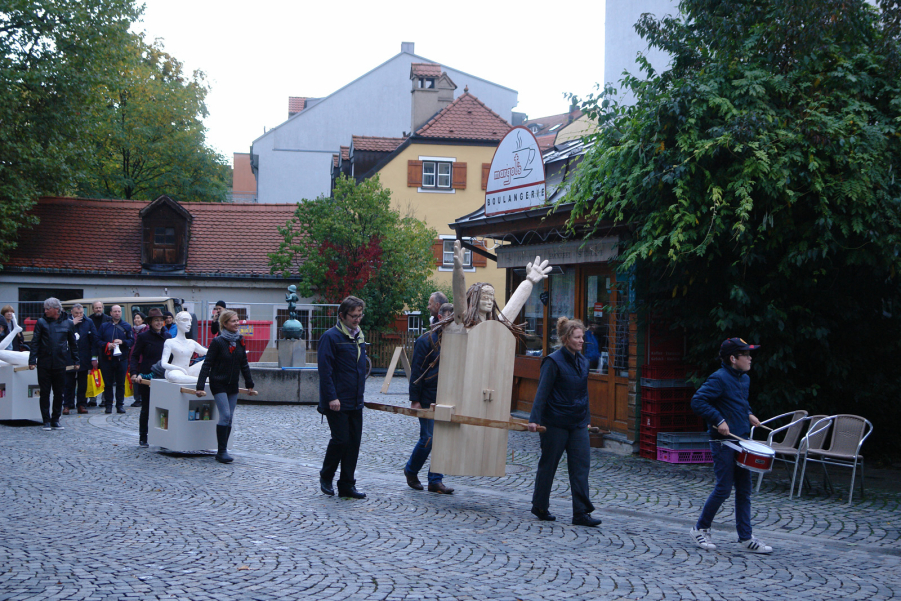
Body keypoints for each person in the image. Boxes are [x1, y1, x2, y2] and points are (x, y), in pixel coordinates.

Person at [689, 337, 772, 554]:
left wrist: (749, 413)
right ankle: (700, 528)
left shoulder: (744, 379)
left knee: (744, 490)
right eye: (746, 355)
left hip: (742, 441)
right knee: (724, 488)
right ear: (734, 358)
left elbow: (737, 402)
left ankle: (746, 537)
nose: (750, 358)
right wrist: (718, 420)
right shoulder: (719, 378)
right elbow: (698, 401)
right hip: (723, 442)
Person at [527, 317, 601, 527]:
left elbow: (583, 393)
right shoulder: (553, 361)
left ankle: (581, 513)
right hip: (555, 423)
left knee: (580, 467)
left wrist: (586, 419)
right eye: (577, 337)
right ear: (566, 339)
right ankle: (540, 506)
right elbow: (542, 392)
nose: (581, 341)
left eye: (582, 337)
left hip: (577, 423)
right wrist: (534, 420)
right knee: (549, 465)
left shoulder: (583, 362)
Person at [317, 296, 368, 499]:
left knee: (353, 443)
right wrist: (331, 397)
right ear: (342, 316)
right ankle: (326, 476)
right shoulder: (331, 337)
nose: (357, 319)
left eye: (359, 315)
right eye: (353, 316)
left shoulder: (359, 336)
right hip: (336, 400)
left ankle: (347, 484)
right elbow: (325, 370)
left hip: (355, 400)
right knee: (341, 440)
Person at [404, 302, 455, 494]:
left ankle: (435, 480)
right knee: (429, 438)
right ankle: (411, 470)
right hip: (427, 397)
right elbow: (416, 372)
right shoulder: (425, 340)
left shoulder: (455, 340)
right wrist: (415, 399)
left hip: (447, 397)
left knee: (442, 439)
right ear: (441, 317)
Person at [194, 309, 255, 463]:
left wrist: (249, 384)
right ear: (225, 323)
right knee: (225, 415)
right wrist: (200, 386)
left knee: (230, 418)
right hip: (218, 383)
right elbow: (207, 364)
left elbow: (244, 364)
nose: (237, 323)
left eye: (237, 320)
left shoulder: (240, 340)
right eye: (233, 321)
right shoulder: (218, 342)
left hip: (232, 385)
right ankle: (221, 452)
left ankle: (223, 449)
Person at [28, 298, 79, 431]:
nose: (45, 311)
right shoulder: (41, 322)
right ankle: (46, 420)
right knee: (44, 392)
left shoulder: (68, 323)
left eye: (47, 309)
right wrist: (32, 360)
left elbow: (73, 344)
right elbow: (35, 342)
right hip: (44, 363)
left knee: (59, 392)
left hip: (60, 363)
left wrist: (76, 360)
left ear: (56, 309)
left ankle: (55, 419)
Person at [129, 309, 170, 448]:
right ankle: (143, 437)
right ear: (150, 322)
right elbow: (134, 355)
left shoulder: (168, 336)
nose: (159, 323)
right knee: (146, 407)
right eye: (156, 320)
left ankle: (163, 437)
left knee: (164, 408)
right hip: (146, 375)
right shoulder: (143, 337)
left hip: (164, 376)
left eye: (160, 320)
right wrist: (134, 372)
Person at [95, 304, 134, 414]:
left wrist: (123, 342)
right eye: (115, 311)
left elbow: (132, 341)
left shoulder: (126, 326)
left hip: (122, 359)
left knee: (120, 384)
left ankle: (120, 405)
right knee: (108, 384)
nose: (117, 313)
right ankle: (108, 405)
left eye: (119, 311)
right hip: (107, 359)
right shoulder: (104, 326)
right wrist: (107, 345)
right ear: (111, 313)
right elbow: (97, 341)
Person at [63, 304, 98, 415]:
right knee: (69, 383)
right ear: (72, 313)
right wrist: (70, 325)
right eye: (76, 313)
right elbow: (60, 336)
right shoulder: (66, 321)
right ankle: (67, 405)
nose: (79, 315)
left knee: (83, 383)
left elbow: (94, 340)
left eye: (81, 313)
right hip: (69, 357)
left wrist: (93, 357)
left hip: (84, 356)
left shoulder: (88, 322)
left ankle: (81, 404)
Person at [129, 312, 149, 407]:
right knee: (135, 379)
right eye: (135, 318)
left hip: (144, 358)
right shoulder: (131, 330)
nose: (136, 320)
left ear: (143, 319)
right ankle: (137, 398)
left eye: (138, 318)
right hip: (134, 357)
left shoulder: (147, 329)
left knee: (144, 378)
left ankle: (144, 397)